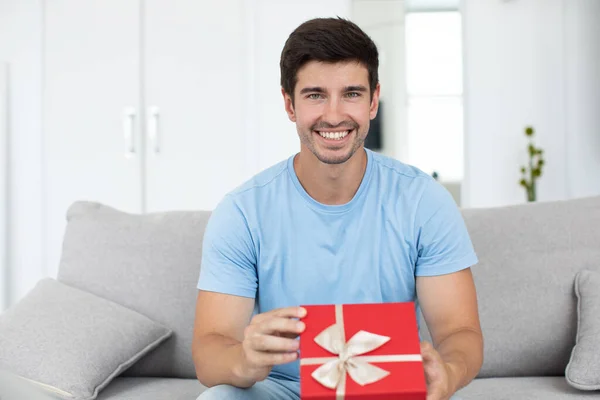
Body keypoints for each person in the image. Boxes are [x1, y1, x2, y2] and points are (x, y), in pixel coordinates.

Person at [192, 17, 483, 400]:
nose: (333, 115)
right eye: (315, 95)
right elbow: (209, 349)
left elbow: (459, 332)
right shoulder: (242, 212)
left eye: (351, 94)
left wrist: (448, 372)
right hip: (284, 391)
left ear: (373, 100)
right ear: (289, 104)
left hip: (390, 388)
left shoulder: (423, 201)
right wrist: (244, 360)